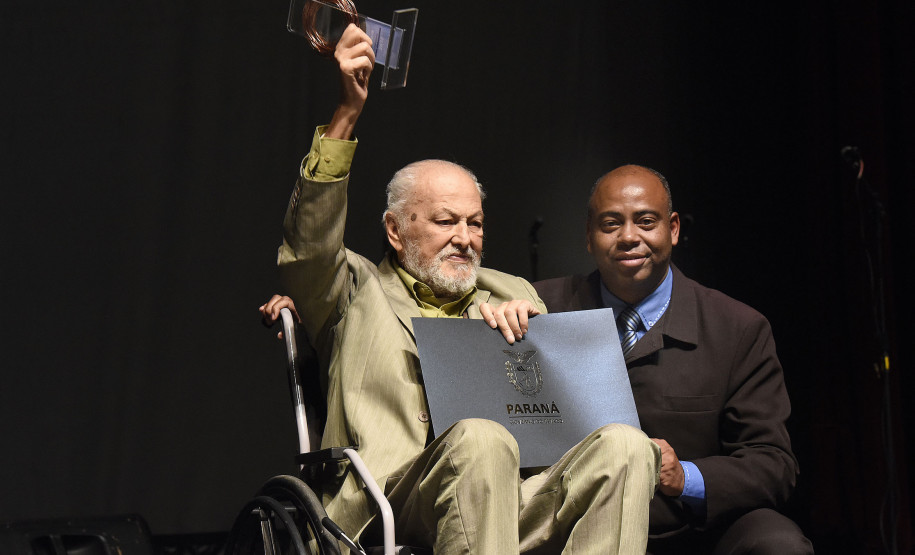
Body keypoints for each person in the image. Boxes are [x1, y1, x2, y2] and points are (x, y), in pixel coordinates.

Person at [260, 25, 660, 554]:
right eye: (446, 221)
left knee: (628, 447)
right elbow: (308, 247)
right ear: (395, 230)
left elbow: (559, 421)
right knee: (480, 438)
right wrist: (347, 115)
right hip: (391, 501)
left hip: (507, 497)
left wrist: (531, 340)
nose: (465, 238)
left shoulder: (512, 290)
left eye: (475, 223)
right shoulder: (352, 289)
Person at [534, 165, 814, 553]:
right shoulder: (540, 308)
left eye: (646, 222)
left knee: (778, 544)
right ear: (588, 236)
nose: (628, 237)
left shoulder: (737, 328)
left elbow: (773, 464)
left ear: (674, 228)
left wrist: (685, 476)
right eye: (611, 224)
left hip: (689, 532)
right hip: (573, 528)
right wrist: (500, 318)